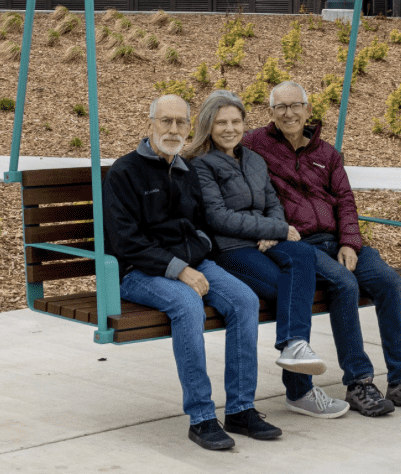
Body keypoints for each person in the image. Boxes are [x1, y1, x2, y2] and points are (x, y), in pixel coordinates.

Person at [244, 80, 401, 416]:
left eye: (295, 106)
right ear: (271, 112)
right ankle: (359, 382)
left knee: (389, 282)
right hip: (300, 244)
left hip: (337, 240)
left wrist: (349, 241)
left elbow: (346, 200)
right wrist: (268, 227)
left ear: (308, 110)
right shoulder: (255, 144)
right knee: (345, 284)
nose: (289, 113)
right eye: (281, 107)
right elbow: (224, 158)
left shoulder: (327, 154)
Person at [103, 94, 279, 451]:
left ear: (189, 127)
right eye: (165, 121)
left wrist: (198, 253)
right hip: (140, 272)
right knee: (187, 305)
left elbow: (202, 225)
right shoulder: (125, 172)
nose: (173, 129)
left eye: (181, 122)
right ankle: (201, 417)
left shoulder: (185, 170)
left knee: (244, 301)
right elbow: (126, 242)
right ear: (149, 124)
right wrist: (179, 270)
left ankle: (240, 409)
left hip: (193, 263)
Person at [186, 90, 350, 419]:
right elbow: (217, 217)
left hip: (263, 241)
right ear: (208, 126)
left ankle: (294, 346)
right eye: (221, 123)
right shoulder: (201, 165)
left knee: (302, 255)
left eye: (236, 122)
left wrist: (274, 229)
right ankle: (299, 387)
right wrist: (273, 229)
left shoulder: (253, 159)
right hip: (230, 249)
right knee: (286, 289)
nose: (230, 129)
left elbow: (273, 203)